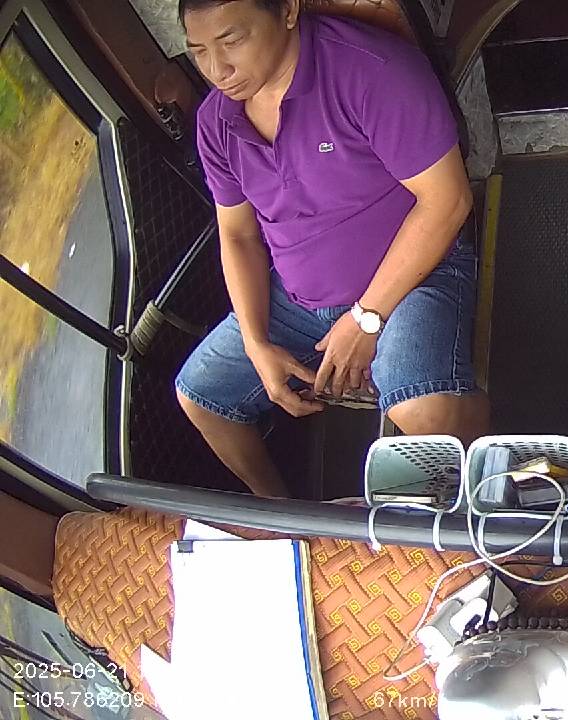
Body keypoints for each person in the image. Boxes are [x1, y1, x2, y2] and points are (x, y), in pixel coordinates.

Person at [174, 0, 488, 497]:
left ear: (288, 11)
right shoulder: (217, 120)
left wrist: (366, 319)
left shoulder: (372, 71)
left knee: (420, 411)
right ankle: (280, 515)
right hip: (297, 296)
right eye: (198, 52)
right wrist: (256, 343)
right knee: (201, 397)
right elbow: (237, 234)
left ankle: (485, 468)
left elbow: (448, 202)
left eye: (232, 41)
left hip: (412, 276)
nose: (217, 70)